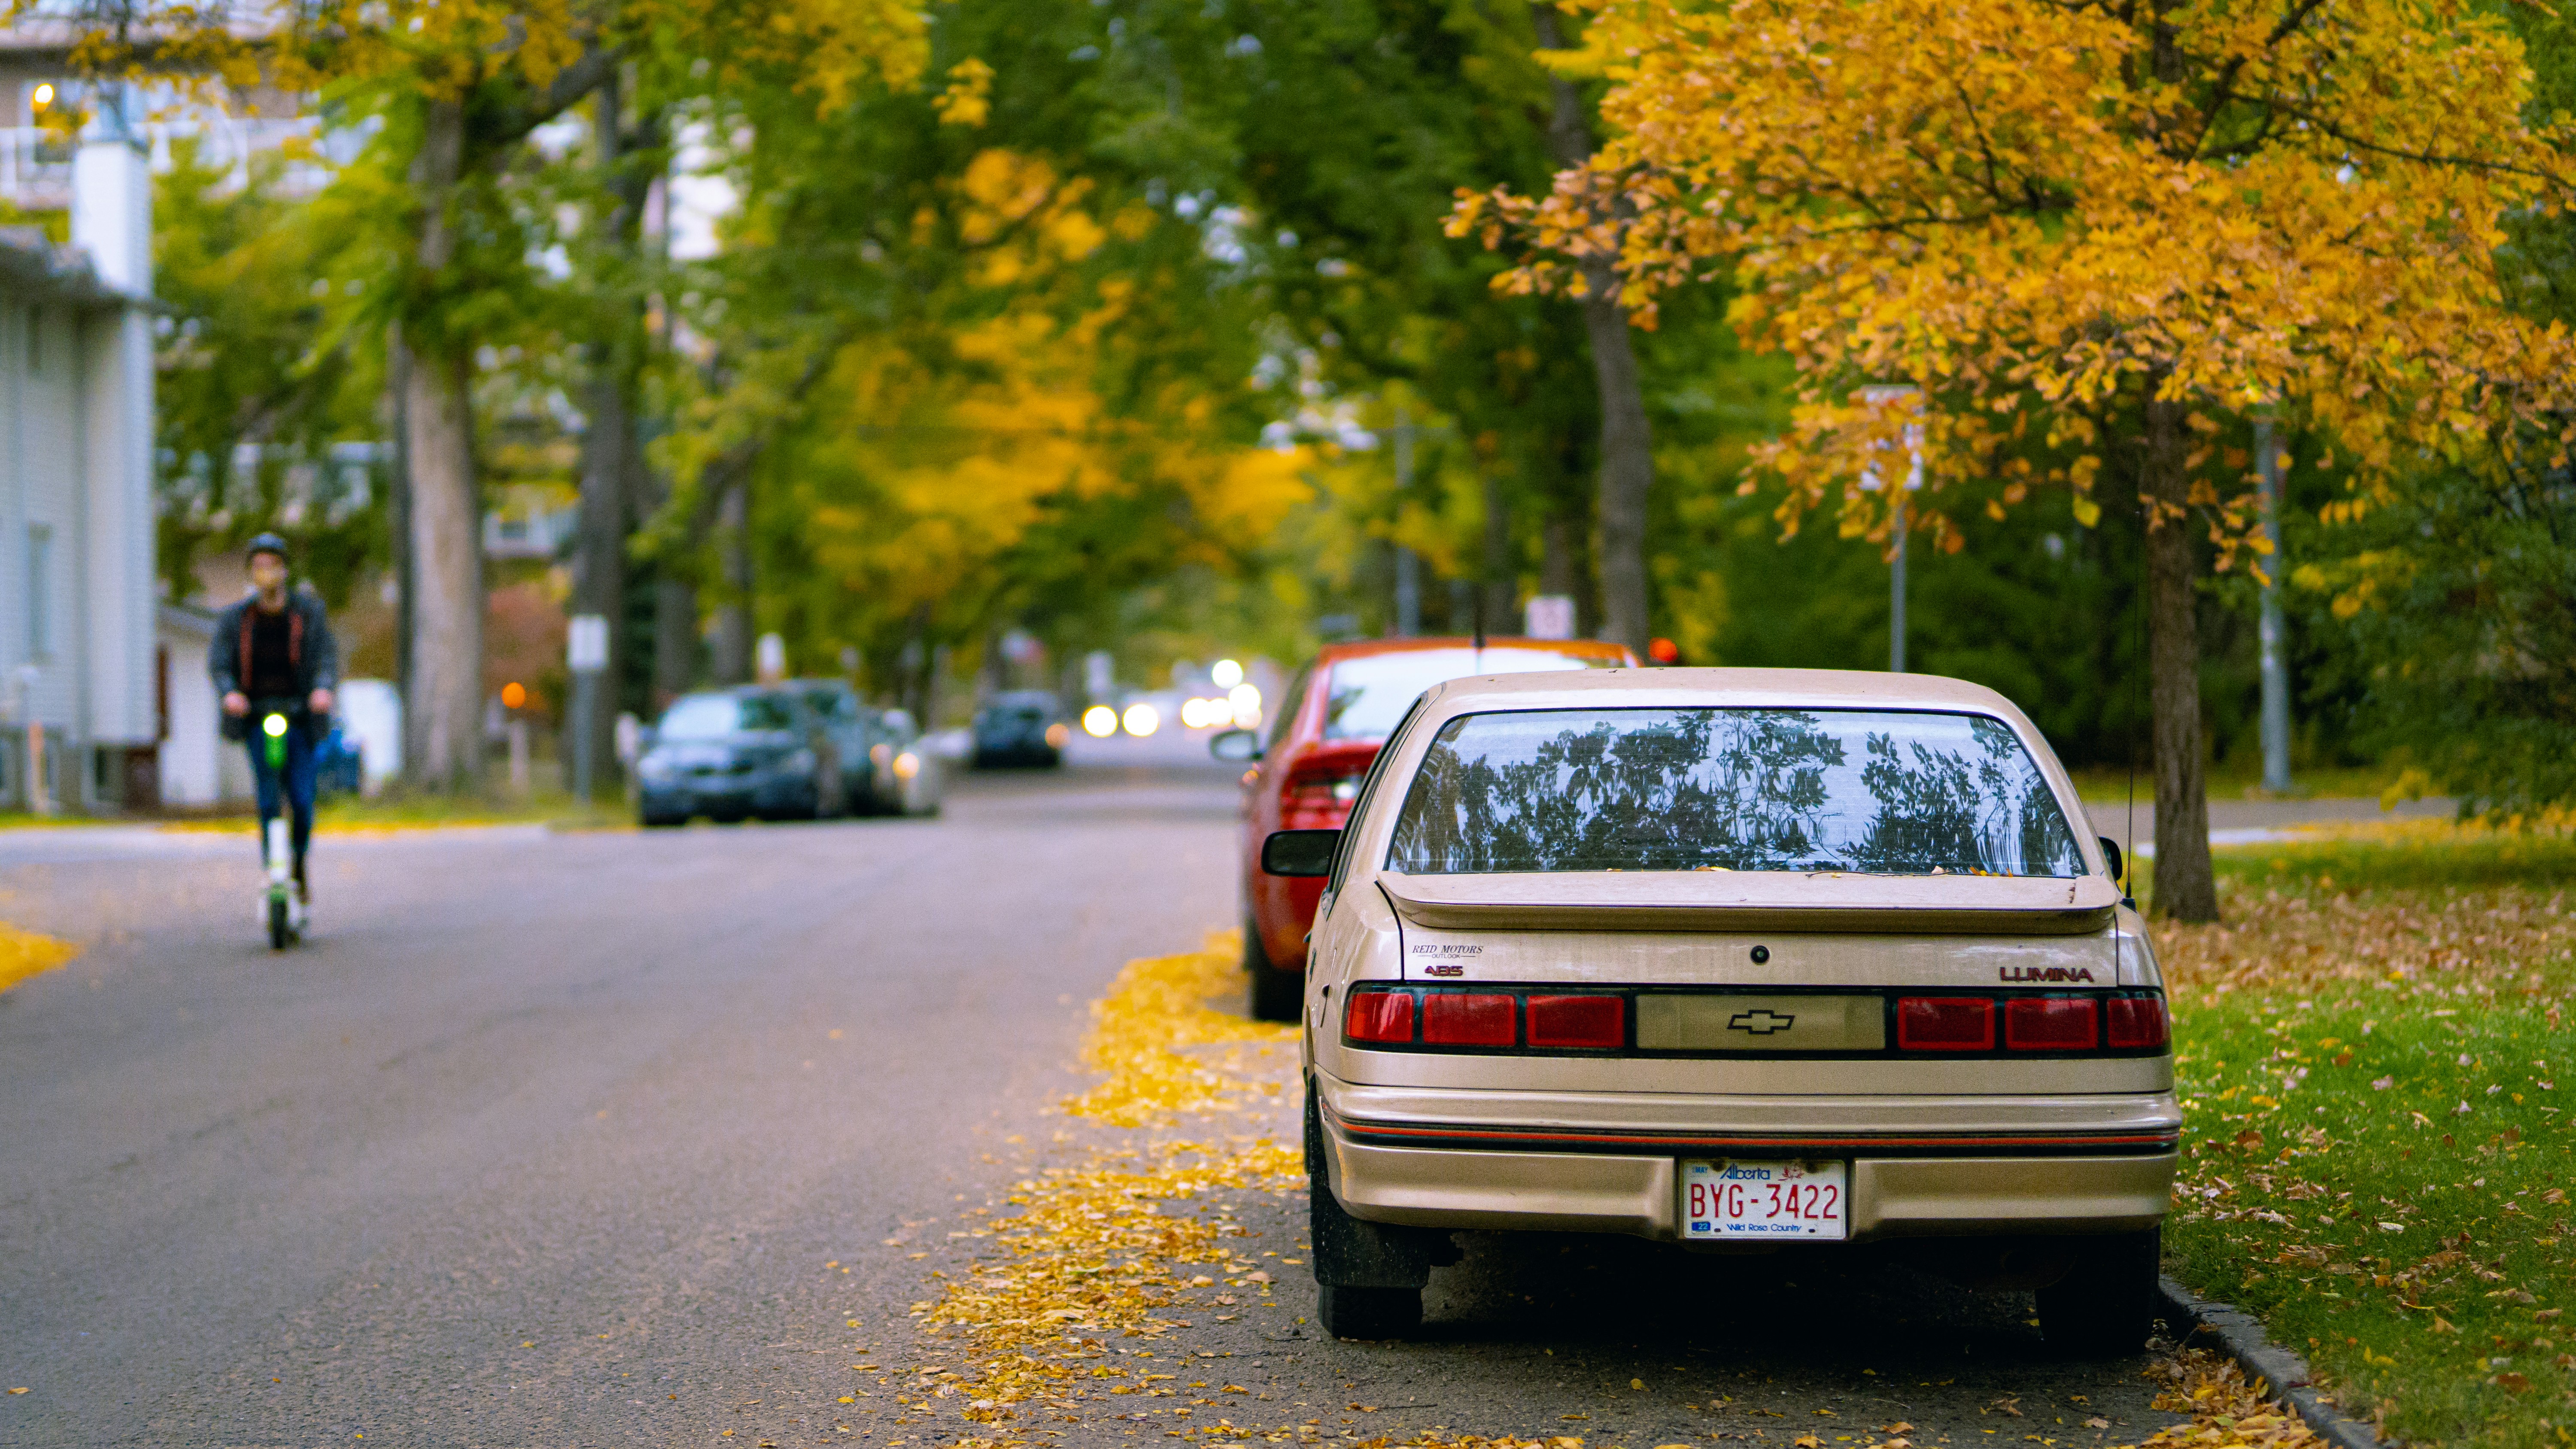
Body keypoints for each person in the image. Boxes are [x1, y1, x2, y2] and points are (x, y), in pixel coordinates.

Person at [208, 534, 339, 925]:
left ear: (284, 569)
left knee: (300, 798)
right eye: (259, 565)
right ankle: (273, 870)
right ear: (251, 572)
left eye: (273, 564)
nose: (267, 573)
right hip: (256, 718)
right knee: (268, 800)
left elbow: (327, 657)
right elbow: (219, 663)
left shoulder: (308, 614)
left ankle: (297, 861)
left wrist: (323, 688)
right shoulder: (236, 619)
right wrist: (230, 693)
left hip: (299, 718)